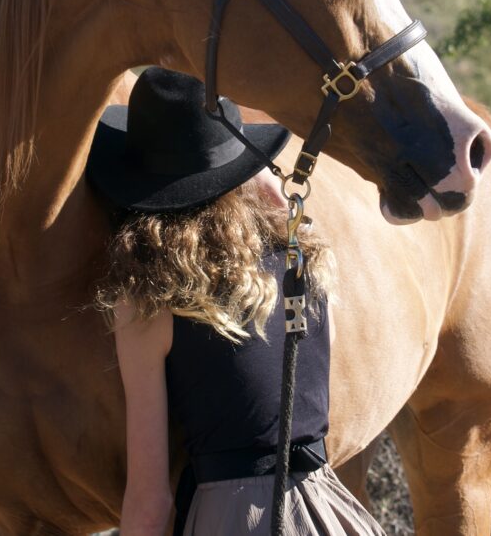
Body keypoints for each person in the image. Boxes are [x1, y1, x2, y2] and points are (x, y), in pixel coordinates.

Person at [86, 67, 386, 535]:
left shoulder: (149, 305)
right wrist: (257, 176)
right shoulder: (303, 261)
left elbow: (150, 500)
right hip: (329, 509)